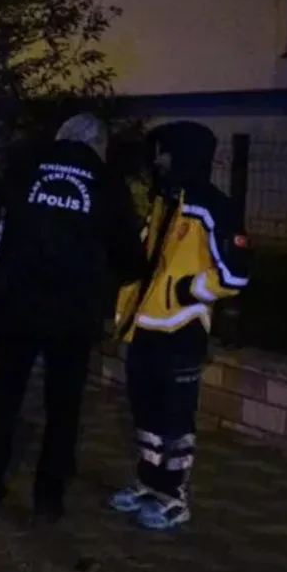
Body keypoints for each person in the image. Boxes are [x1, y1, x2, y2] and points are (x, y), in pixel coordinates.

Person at [0, 113, 145, 525]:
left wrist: (4, 269)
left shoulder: (23, 167)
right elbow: (129, 255)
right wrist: (100, 282)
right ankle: (48, 498)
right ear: (97, 144)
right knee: (64, 406)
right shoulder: (106, 182)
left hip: (17, 304)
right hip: (73, 313)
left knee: (4, 398)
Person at [109, 120, 252, 531]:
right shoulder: (163, 202)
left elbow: (235, 274)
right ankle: (148, 483)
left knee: (175, 418)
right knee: (146, 413)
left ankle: (175, 497)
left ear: (186, 155)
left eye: (166, 153)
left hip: (181, 330)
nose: (159, 161)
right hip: (145, 328)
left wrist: (188, 291)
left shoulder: (211, 206)